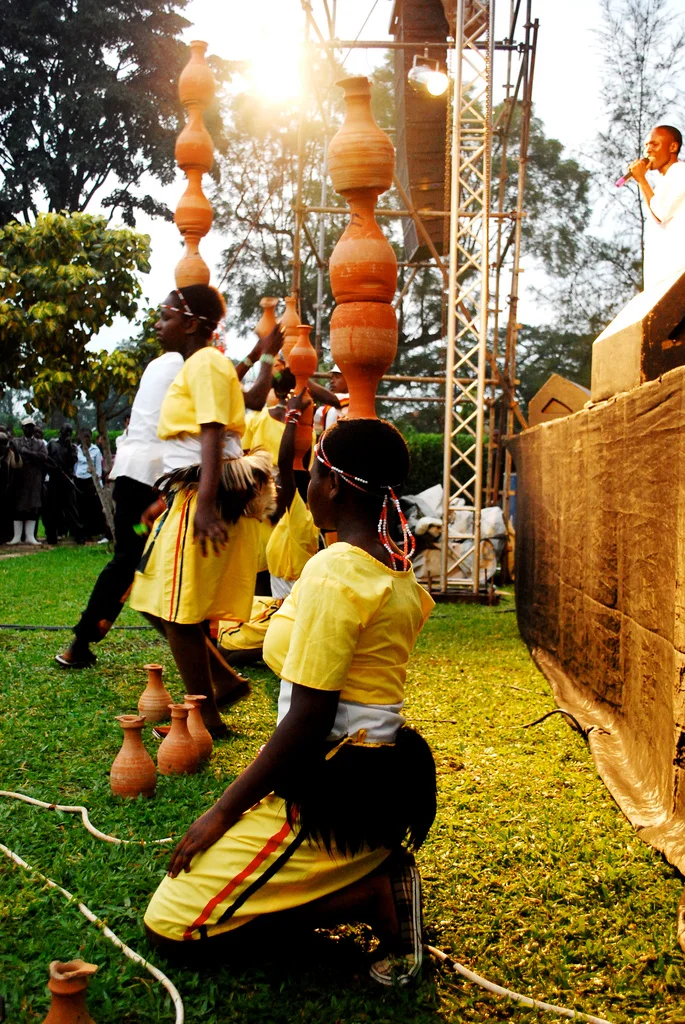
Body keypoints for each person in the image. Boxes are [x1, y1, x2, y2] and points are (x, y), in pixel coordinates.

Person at [143, 418, 436, 987]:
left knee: (174, 923)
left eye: (313, 474)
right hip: (371, 771)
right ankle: (368, 863)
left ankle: (370, 895)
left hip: (332, 785)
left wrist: (222, 811)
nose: (304, 487)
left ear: (333, 486)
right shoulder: (389, 562)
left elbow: (308, 720)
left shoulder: (336, 571)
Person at [129, 285, 280, 734]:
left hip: (200, 496)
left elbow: (213, 431)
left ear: (191, 322)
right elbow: (249, 401)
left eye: (166, 315)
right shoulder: (204, 364)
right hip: (188, 493)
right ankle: (222, 684)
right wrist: (262, 355)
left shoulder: (206, 362)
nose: (159, 324)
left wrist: (206, 504)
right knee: (152, 598)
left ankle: (207, 715)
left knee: (175, 612)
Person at [55, 353, 183, 667]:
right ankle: (83, 639)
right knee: (133, 559)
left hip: (132, 479)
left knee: (131, 556)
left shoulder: (161, 363)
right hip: (151, 485)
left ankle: (84, 639)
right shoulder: (187, 365)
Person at [629, 124, 685, 290]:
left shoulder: (680, 171)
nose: (648, 150)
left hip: (678, 274)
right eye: (646, 145)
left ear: (673, 147)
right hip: (664, 280)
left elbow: (660, 212)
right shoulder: (663, 183)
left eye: (655, 144)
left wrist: (642, 180)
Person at [8, 417, 48, 545]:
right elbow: (13, 456)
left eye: (31, 426)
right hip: (19, 479)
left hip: (34, 478)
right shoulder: (16, 442)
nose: (29, 429)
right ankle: (17, 537)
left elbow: (43, 457)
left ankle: (30, 536)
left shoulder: (40, 443)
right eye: (26, 426)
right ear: (22, 428)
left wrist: (28, 453)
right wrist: (30, 455)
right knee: (18, 507)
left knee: (33, 507)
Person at [44, 424, 80, 547]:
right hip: (54, 481)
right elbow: (46, 461)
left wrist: (69, 447)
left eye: (70, 433)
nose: (67, 435)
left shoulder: (73, 447)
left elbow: (72, 461)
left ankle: (78, 536)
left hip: (67, 480)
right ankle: (51, 536)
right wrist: (52, 469)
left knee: (72, 510)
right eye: (65, 432)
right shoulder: (52, 444)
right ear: (60, 432)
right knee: (52, 510)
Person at [74, 429, 105, 540]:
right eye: (83, 437)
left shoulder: (95, 451)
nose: (86, 439)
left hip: (90, 482)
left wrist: (93, 472)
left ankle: (90, 533)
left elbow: (99, 470)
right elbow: (75, 466)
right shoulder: (76, 450)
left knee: (90, 509)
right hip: (78, 480)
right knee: (79, 508)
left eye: (88, 437)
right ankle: (80, 532)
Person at [312, 365, 349, 433]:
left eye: (337, 377)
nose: (332, 381)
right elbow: (317, 430)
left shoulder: (351, 399)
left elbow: (331, 399)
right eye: (332, 378)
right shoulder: (327, 408)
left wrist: (303, 380)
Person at [0, 427, 21, 544]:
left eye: (4, 444)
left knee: (6, 514)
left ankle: (6, 536)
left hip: (8, 490)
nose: (2, 447)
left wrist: (16, 450)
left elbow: (17, 465)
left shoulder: (10, 454)